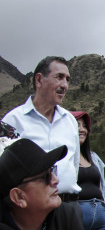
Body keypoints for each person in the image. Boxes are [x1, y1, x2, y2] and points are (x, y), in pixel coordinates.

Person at [2, 56, 80, 197]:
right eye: (59, 77)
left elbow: (74, 165)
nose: (64, 85)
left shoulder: (70, 121)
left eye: (67, 79)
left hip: (68, 207)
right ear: (39, 80)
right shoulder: (12, 121)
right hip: (30, 210)